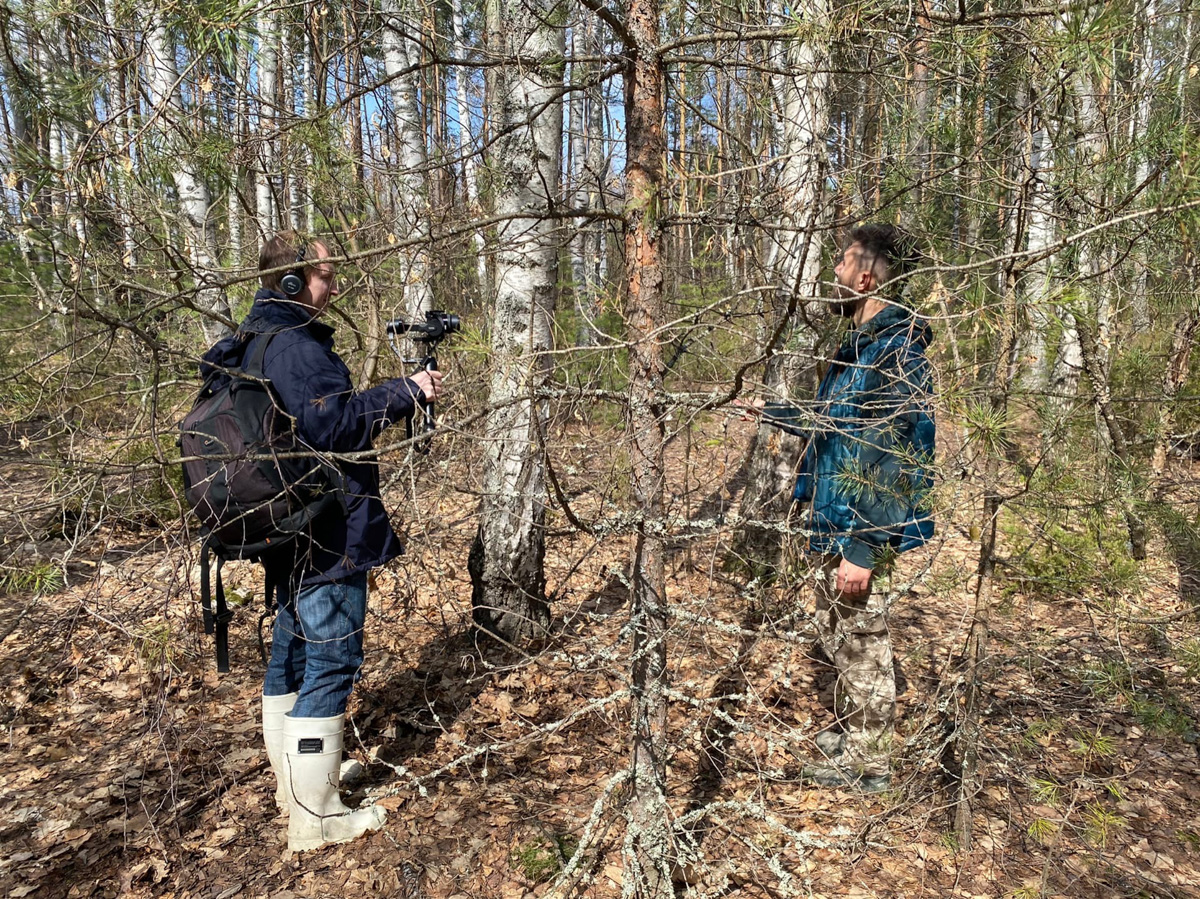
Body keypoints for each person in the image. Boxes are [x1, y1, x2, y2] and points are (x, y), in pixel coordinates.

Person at [200, 232, 444, 850]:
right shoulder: (296, 348)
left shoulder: (252, 342)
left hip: (284, 523)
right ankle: (315, 816)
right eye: (325, 277)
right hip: (323, 523)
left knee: (291, 651)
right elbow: (329, 422)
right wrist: (407, 391)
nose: (332, 288)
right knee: (331, 656)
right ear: (292, 283)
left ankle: (299, 786)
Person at [747, 223, 935, 792]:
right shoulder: (858, 346)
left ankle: (870, 763)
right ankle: (856, 726)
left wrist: (863, 548)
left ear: (868, 274)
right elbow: (842, 428)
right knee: (840, 632)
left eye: (842, 260)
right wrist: (781, 412)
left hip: (860, 522)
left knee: (865, 641)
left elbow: (897, 456)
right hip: (834, 512)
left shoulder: (896, 350)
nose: (833, 271)